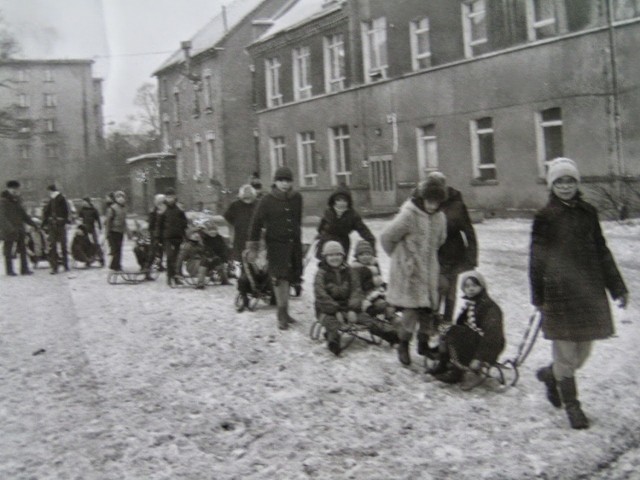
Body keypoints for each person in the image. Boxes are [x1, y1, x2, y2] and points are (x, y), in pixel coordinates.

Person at [529, 157, 628, 430]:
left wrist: (617, 287)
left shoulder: (588, 212)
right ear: (552, 185)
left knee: (581, 353)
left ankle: (551, 375)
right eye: (559, 181)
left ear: (577, 183)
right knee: (565, 353)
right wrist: (538, 297)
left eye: (569, 180)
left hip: (588, 291)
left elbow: (602, 251)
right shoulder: (545, 217)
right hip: (559, 293)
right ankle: (573, 405)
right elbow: (536, 259)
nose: (565, 186)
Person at [381, 180, 447, 366]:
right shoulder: (409, 215)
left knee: (428, 309)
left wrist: (429, 256)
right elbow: (387, 237)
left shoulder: (440, 218)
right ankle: (403, 344)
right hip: (410, 272)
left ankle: (423, 344)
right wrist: (400, 260)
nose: (433, 206)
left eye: (437, 202)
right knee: (410, 311)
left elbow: (440, 240)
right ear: (422, 198)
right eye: (430, 201)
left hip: (429, 269)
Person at [247, 166, 303, 330]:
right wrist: (253, 246)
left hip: (294, 245)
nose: (285, 184)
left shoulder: (297, 198)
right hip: (276, 246)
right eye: (281, 181)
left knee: (291, 277)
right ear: (275, 182)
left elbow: (296, 221)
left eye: (288, 181)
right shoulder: (267, 200)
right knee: (280, 279)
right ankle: (281, 315)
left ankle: (285, 313)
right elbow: (256, 223)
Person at [431, 271, 505, 390]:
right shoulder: (472, 303)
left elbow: (492, 335)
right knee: (449, 329)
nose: (471, 289)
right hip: (476, 340)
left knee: (454, 331)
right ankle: (444, 363)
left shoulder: (489, 307)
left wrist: (478, 358)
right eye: (467, 286)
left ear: (482, 287)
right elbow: (461, 323)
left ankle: (460, 371)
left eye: (474, 286)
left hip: (489, 346)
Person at [424, 172, 478, 324]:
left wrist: (471, 259)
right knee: (436, 291)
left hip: (455, 256)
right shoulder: (427, 203)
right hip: (434, 257)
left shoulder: (457, 205)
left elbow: (469, 233)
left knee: (451, 294)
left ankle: (447, 323)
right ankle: (432, 323)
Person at [316, 184, 376, 260]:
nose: (341, 203)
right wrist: (321, 237)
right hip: (326, 245)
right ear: (334, 201)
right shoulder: (328, 212)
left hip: (342, 245)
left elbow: (364, 231)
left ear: (348, 202)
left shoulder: (353, 215)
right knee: (325, 267)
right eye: (338, 200)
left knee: (341, 266)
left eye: (344, 200)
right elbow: (320, 228)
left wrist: (371, 246)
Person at [176, 220, 230, 289]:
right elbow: (180, 259)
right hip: (193, 265)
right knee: (204, 261)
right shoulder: (187, 246)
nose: (196, 236)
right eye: (194, 234)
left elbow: (209, 252)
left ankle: (224, 279)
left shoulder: (201, 244)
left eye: (197, 234)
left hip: (204, 264)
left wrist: (213, 258)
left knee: (216, 259)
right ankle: (200, 283)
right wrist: (178, 272)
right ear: (190, 236)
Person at [350, 239, 395, 322]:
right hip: (366, 296)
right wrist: (373, 285)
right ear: (357, 256)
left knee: (393, 297)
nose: (365, 257)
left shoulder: (374, 265)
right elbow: (358, 287)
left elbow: (379, 281)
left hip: (377, 292)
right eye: (361, 254)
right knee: (383, 304)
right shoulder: (356, 269)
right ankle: (390, 319)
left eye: (367, 254)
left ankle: (392, 318)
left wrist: (385, 286)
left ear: (371, 255)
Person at [0, 180, 37, 276]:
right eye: (13, 189)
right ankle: (9, 270)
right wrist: (9, 228)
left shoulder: (17, 200)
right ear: (8, 189)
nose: (15, 191)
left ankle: (24, 269)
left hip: (20, 228)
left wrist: (33, 224)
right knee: (8, 251)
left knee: (23, 249)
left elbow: (23, 215)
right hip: (9, 230)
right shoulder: (3, 201)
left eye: (16, 189)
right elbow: (2, 217)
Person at [157, 187, 188, 286]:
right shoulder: (163, 208)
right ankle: (170, 277)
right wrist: (158, 237)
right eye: (168, 197)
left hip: (178, 236)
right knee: (170, 257)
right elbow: (159, 224)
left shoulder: (179, 208)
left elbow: (184, 221)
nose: (170, 199)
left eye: (171, 196)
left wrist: (184, 233)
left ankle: (176, 277)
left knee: (177, 258)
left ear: (175, 197)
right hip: (167, 237)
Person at [223, 184, 258, 262]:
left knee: (253, 263)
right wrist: (232, 232)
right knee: (238, 261)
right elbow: (228, 218)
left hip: (255, 239)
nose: (247, 195)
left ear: (253, 194)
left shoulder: (258, 204)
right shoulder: (235, 205)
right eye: (245, 193)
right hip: (239, 238)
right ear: (241, 194)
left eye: (250, 193)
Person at [42, 184, 70, 274]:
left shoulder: (58, 199)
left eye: (49, 191)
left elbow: (47, 212)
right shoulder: (57, 199)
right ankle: (64, 265)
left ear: (51, 191)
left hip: (56, 225)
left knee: (55, 246)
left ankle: (56, 267)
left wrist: (44, 223)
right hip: (58, 225)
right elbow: (66, 212)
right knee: (61, 245)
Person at [144, 193, 167, 277]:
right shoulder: (154, 211)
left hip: (163, 234)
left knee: (161, 251)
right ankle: (147, 269)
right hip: (156, 234)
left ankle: (159, 265)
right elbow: (151, 224)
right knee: (153, 252)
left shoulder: (164, 210)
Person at [104, 190, 128, 271]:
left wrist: (128, 232)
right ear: (116, 199)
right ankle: (114, 265)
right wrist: (107, 232)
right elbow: (108, 221)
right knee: (115, 249)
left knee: (119, 248)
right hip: (113, 231)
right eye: (118, 197)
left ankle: (116, 264)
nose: (121, 199)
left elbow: (124, 221)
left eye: (122, 197)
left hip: (120, 231)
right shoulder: (113, 208)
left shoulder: (123, 208)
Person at [78, 197, 104, 266]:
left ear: (88, 202)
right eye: (83, 202)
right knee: (86, 244)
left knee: (96, 243)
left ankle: (101, 258)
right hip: (85, 229)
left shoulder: (93, 210)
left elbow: (98, 219)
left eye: (84, 202)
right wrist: (79, 228)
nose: (83, 203)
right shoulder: (82, 210)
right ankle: (88, 259)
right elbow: (80, 219)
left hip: (92, 228)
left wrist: (100, 227)